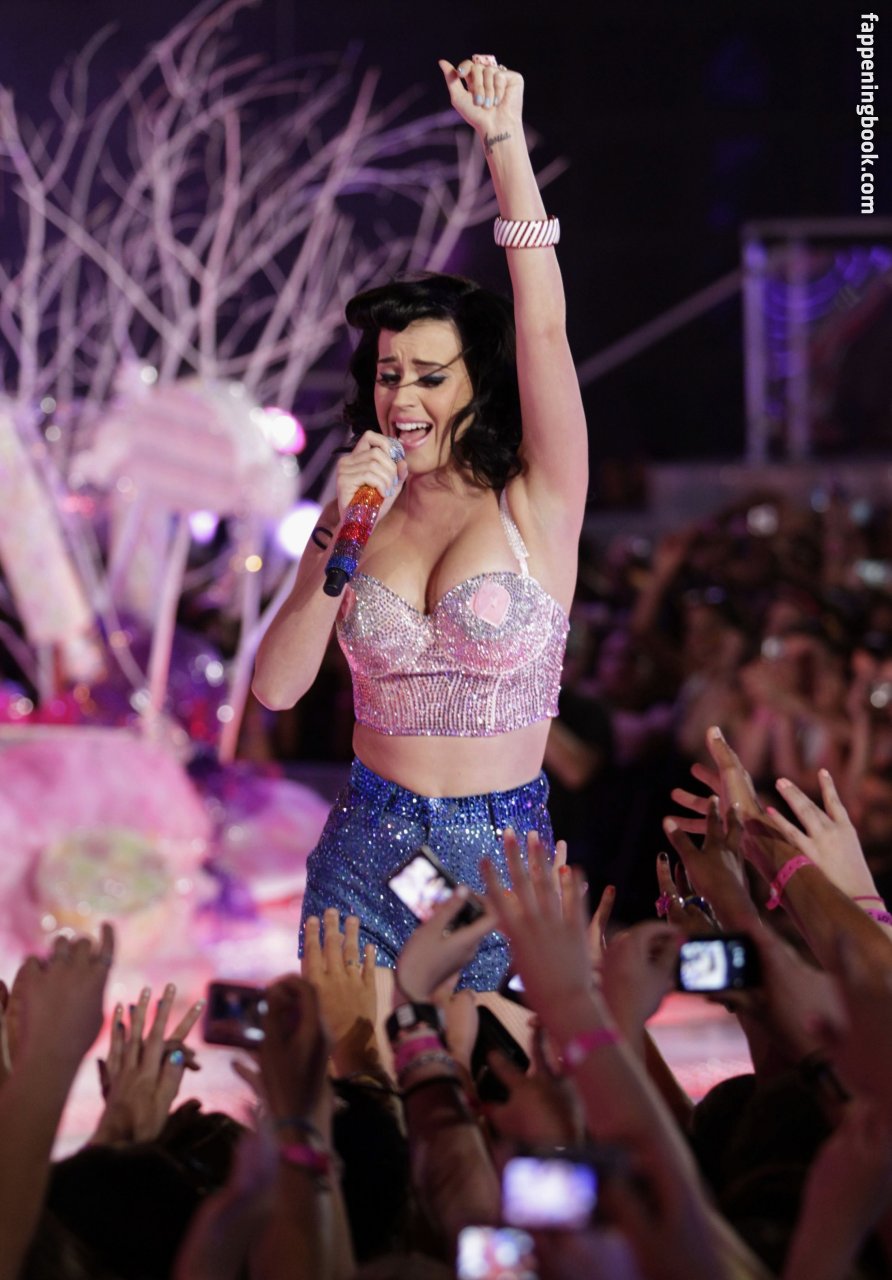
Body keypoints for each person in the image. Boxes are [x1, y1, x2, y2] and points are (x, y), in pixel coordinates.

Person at [253, 53, 588, 989]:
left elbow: (544, 329)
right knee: (358, 1079)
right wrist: (334, 526)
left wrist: (504, 144)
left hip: (499, 864)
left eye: (430, 377)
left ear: (479, 384)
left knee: (493, 1075)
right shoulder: (359, 512)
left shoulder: (536, 499)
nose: (401, 398)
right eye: (388, 374)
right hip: (368, 851)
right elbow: (275, 690)